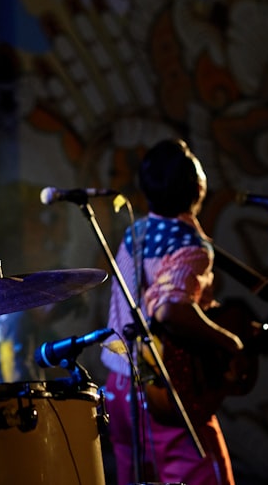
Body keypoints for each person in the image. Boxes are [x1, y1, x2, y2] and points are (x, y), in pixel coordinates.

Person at [100, 138, 243, 485]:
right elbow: (169, 309)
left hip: (118, 390)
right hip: (161, 393)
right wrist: (229, 342)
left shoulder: (135, 233)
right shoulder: (191, 247)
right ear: (198, 186)